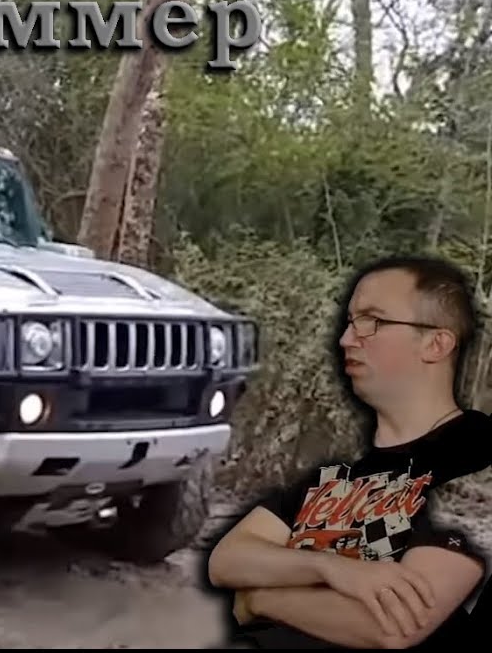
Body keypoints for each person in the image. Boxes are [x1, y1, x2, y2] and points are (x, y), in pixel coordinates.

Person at [207, 255, 492, 649]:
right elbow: (227, 561)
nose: (346, 339)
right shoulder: (342, 474)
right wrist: (330, 568)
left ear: (435, 344)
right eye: (351, 321)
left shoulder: (473, 465)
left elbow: (394, 627)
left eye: (372, 322)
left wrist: (259, 598)